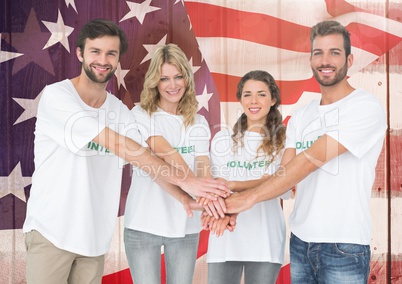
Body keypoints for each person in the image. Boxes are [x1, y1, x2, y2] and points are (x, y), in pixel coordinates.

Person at [23, 19, 228, 284]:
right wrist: (189, 181)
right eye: (95, 51)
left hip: (94, 242)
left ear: (118, 59)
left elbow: (148, 163)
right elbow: (123, 146)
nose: (103, 59)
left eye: (111, 53)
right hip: (52, 233)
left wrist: (183, 197)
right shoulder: (57, 96)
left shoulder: (119, 110)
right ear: (80, 53)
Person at [225, 20, 387, 283]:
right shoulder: (302, 115)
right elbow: (284, 177)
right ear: (310, 60)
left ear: (350, 59)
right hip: (301, 243)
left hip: (343, 246)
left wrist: (246, 199)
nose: (326, 60)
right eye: (318, 53)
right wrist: (235, 194)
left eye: (334, 52)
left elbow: (310, 160)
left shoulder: (364, 107)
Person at [123, 43, 215, 284]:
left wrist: (205, 194)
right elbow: (165, 153)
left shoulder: (199, 122)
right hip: (143, 224)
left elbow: (203, 165)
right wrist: (194, 187)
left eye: (178, 77)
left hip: (186, 226)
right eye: (164, 79)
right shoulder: (140, 115)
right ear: (155, 81)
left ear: (187, 78)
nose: (172, 85)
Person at [202, 70, 289, 284]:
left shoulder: (285, 141)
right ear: (240, 99)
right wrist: (220, 214)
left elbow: (283, 185)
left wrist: (234, 185)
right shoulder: (223, 140)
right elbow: (216, 188)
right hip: (224, 234)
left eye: (261, 94)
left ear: (273, 99)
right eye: (247, 94)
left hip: (265, 239)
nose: (254, 101)